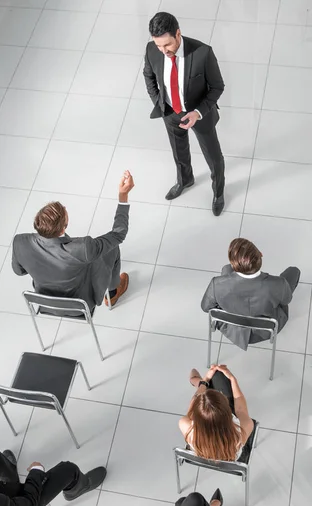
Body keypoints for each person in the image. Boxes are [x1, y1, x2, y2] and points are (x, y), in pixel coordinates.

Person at [12, 171, 134, 311]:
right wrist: (122, 196)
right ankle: (112, 293)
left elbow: (19, 272)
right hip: (81, 304)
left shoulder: (19, 242)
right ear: (63, 229)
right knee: (112, 248)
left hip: (46, 302)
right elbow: (119, 234)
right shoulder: (83, 248)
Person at [143, 12, 225, 216]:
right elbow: (148, 76)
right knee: (178, 152)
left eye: (167, 45)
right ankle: (185, 180)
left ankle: (218, 193)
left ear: (178, 34)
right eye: (159, 46)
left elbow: (217, 87)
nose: (163, 51)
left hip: (199, 114)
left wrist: (198, 112)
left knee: (214, 157)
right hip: (170, 112)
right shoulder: (152, 49)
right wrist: (160, 103)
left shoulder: (203, 53)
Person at [201, 237, 301, 350]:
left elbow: (206, 307)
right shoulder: (278, 283)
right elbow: (286, 300)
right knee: (294, 271)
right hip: (266, 329)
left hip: (231, 329)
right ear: (261, 255)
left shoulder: (217, 283)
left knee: (226, 269)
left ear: (235, 264)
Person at [179, 364, 254, 463]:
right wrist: (232, 379)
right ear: (227, 412)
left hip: (201, 455)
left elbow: (192, 407)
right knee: (218, 375)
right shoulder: (242, 431)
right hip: (230, 459)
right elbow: (240, 410)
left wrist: (205, 381)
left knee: (198, 376)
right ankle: (197, 381)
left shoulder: (186, 426)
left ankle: (198, 382)